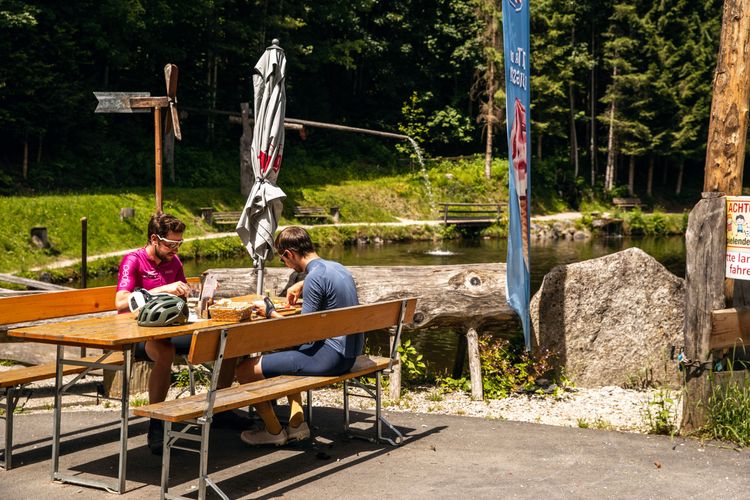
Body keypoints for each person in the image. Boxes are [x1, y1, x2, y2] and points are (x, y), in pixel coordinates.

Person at [115, 213, 242, 454]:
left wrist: (201, 296)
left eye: (179, 243)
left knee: (226, 339)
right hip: (140, 332)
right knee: (166, 352)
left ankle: (222, 410)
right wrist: (163, 288)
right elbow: (120, 302)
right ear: (154, 239)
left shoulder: (175, 262)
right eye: (171, 244)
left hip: (172, 325)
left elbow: (182, 296)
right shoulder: (133, 260)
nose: (175, 249)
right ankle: (156, 422)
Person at [236, 226, 362, 446]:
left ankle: (274, 432)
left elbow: (301, 334)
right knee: (287, 353)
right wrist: (303, 283)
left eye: (283, 260)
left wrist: (269, 312)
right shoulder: (338, 267)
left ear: (289, 254)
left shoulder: (315, 278)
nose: (285, 265)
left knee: (245, 370)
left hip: (330, 359)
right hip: (349, 354)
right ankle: (296, 424)